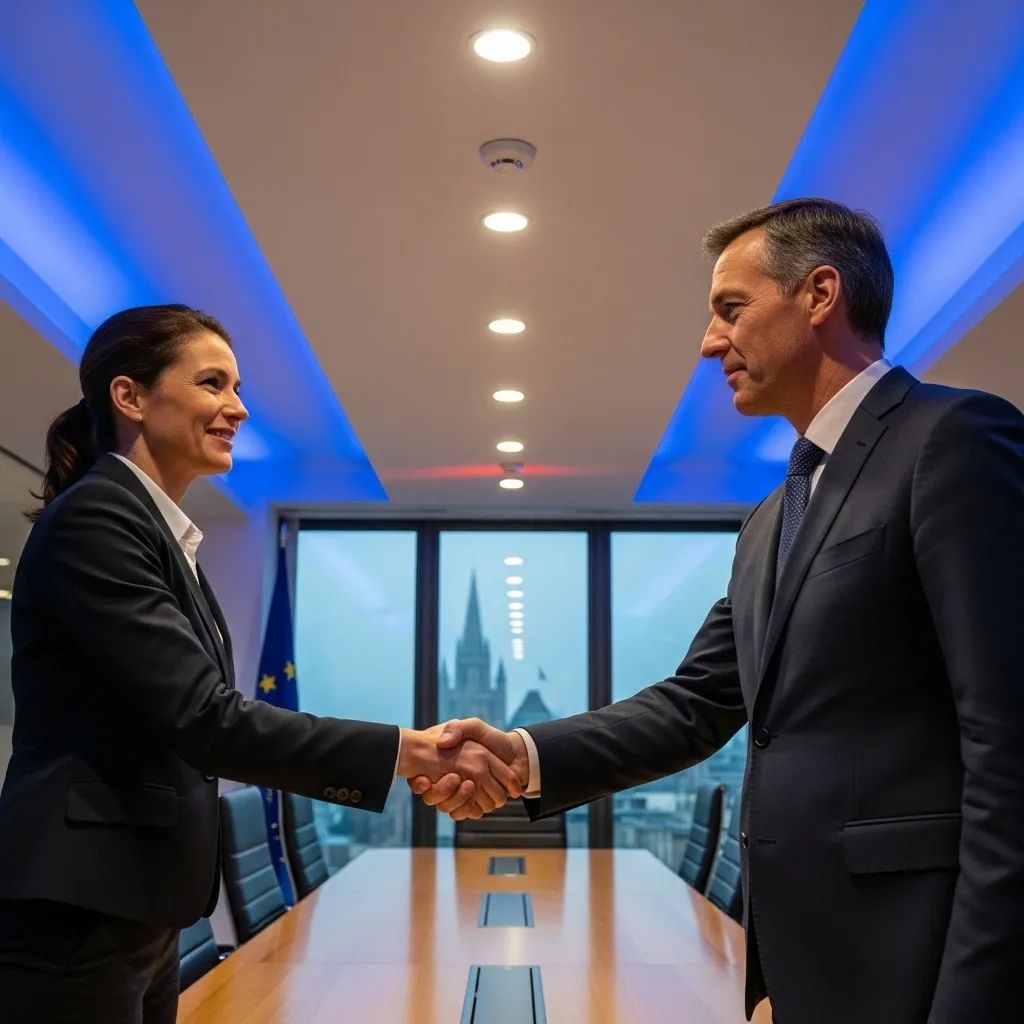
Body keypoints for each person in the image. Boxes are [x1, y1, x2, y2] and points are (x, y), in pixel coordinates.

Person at [413, 198, 1024, 1023]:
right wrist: (521, 754)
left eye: (730, 310)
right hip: (805, 959)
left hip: (918, 956)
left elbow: (1008, 740)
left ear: (819, 295)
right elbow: (696, 703)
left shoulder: (953, 438)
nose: (709, 342)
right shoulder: (772, 517)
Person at [0, 304, 520, 1024]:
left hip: (137, 906)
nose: (238, 408)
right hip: (80, 912)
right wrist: (406, 750)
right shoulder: (100, 519)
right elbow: (205, 718)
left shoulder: (157, 534)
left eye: (238, 387)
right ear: (131, 398)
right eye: (214, 383)